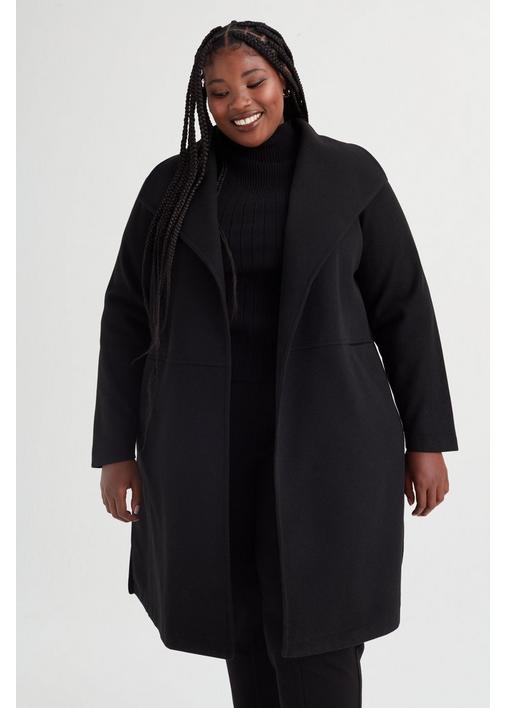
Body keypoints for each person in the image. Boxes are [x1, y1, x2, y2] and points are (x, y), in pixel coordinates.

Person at [91, 20, 458, 708]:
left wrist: (427, 439)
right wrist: (116, 451)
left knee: (322, 638)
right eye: (218, 91)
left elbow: (404, 308)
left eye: (253, 82)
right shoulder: (171, 189)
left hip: (334, 444)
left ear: (283, 78)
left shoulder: (351, 177)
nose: (239, 102)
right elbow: (126, 316)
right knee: (243, 629)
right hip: (208, 449)